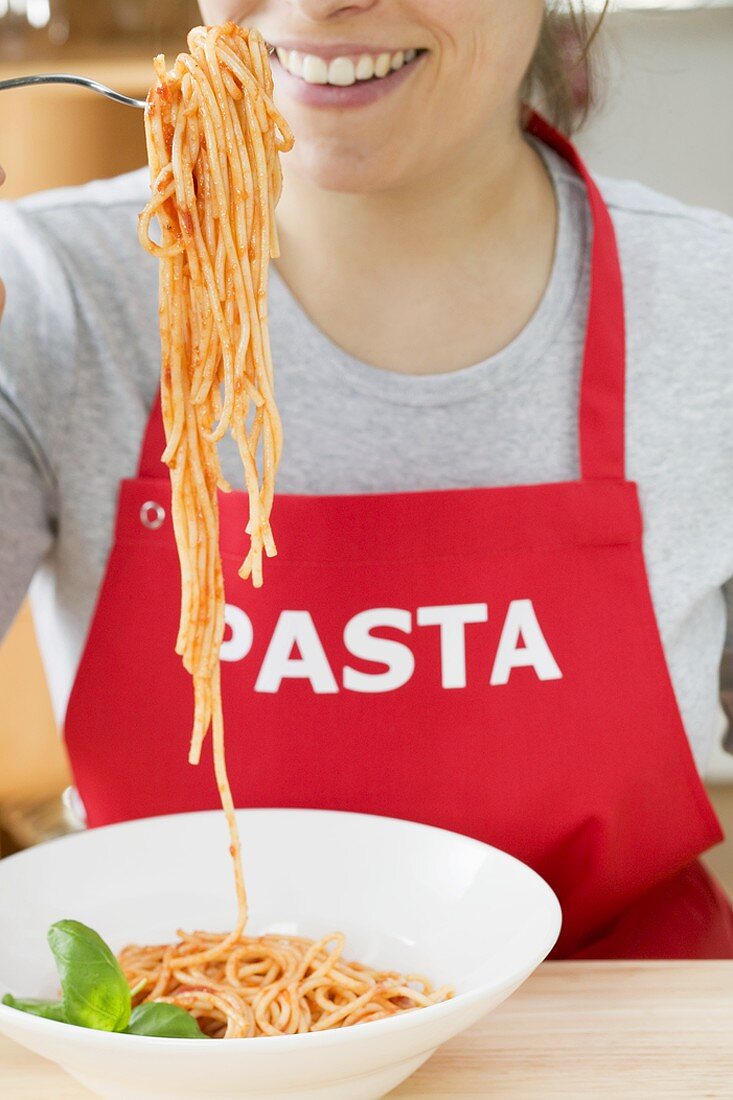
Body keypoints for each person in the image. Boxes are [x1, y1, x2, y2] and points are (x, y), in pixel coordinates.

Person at [1, 0, 732, 958]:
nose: (321, 1)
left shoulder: (709, 304)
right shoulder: (52, 294)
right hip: (183, 1040)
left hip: (624, 1043)